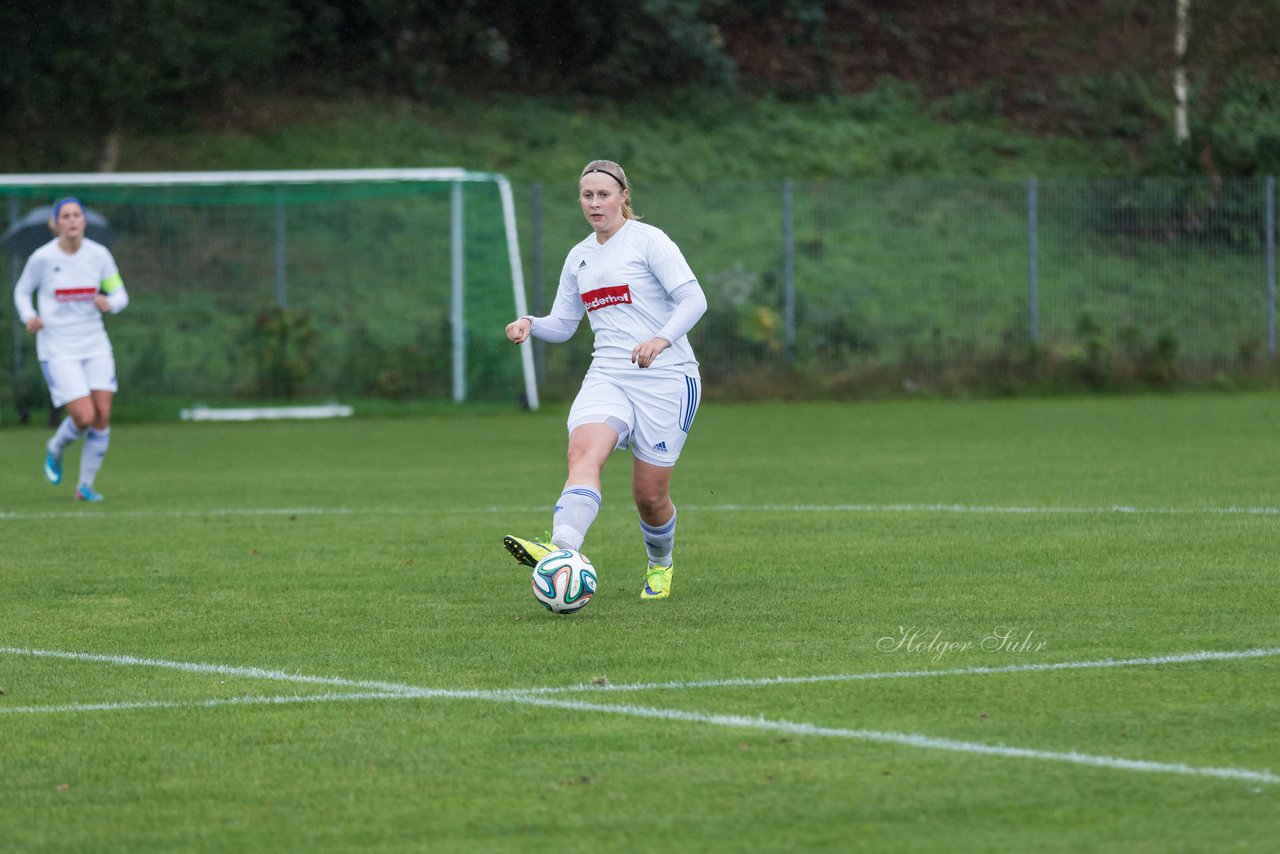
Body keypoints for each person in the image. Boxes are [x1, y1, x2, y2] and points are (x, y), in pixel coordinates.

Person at [503, 160, 707, 600]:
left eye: (603, 195)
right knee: (583, 452)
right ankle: (560, 549)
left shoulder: (649, 241)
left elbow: (694, 298)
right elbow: (563, 322)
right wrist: (530, 323)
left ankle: (660, 564)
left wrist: (661, 339)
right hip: (608, 375)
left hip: (666, 379)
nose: (595, 203)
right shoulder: (579, 256)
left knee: (649, 497)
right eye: (587, 195)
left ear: (623, 197)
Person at [13, 197, 130, 502]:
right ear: (56, 223)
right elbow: (22, 292)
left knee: (102, 414)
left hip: (94, 343)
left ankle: (85, 486)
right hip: (58, 347)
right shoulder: (41, 258)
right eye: (66, 216)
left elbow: (119, 293)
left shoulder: (99, 255)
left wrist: (111, 302)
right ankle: (55, 446)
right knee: (84, 417)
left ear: (84, 221)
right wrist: (30, 317)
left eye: (77, 215)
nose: (72, 220)